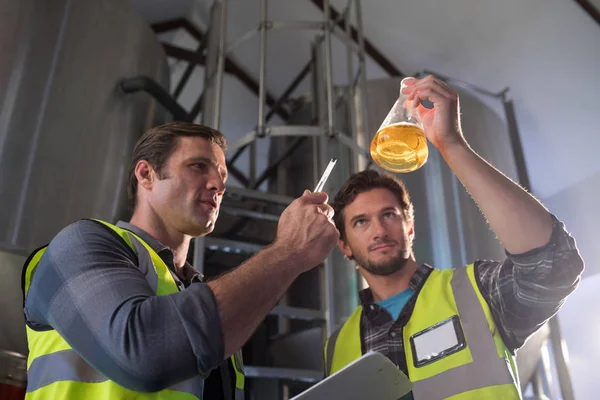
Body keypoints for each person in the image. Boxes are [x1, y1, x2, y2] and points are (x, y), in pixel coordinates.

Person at [22, 121, 339, 399]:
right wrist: (288, 251)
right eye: (199, 166)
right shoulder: (79, 245)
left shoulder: (200, 295)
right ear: (146, 174)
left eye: (222, 174)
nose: (219, 185)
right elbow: (142, 352)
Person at [323, 75, 584, 399]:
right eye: (361, 222)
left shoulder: (477, 291)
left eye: (389, 215)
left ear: (410, 227)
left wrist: (452, 144)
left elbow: (553, 265)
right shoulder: (336, 348)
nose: (379, 230)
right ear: (344, 244)